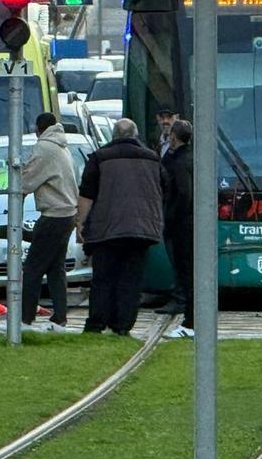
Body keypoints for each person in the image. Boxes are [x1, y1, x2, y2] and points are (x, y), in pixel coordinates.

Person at [77, 118, 164, 336]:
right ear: (135, 135)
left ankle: (97, 322)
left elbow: (87, 194)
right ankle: (123, 325)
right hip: (141, 229)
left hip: (106, 229)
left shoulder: (99, 158)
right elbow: (163, 190)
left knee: (103, 278)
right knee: (131, 279)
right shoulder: (153, 158)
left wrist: (80, 224)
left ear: (114, 135)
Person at [20, 112, 79, 332]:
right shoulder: (62, 145)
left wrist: (15, 172)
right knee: (56, 268)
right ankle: (59, 318)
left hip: (53, 215)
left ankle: (25, 319)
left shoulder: (44, 147)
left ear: (38, 128)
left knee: (33, 268)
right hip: (67, 214)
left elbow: (26, 182)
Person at [160, 120, 195, 338]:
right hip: (189, 222)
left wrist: (170, 216)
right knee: (189, 272)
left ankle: (190, 323)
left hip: (182, 224)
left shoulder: (179, 161)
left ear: (174, 136)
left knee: (186, 272)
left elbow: (183, 192)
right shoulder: (191, 157)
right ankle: (191, 320)